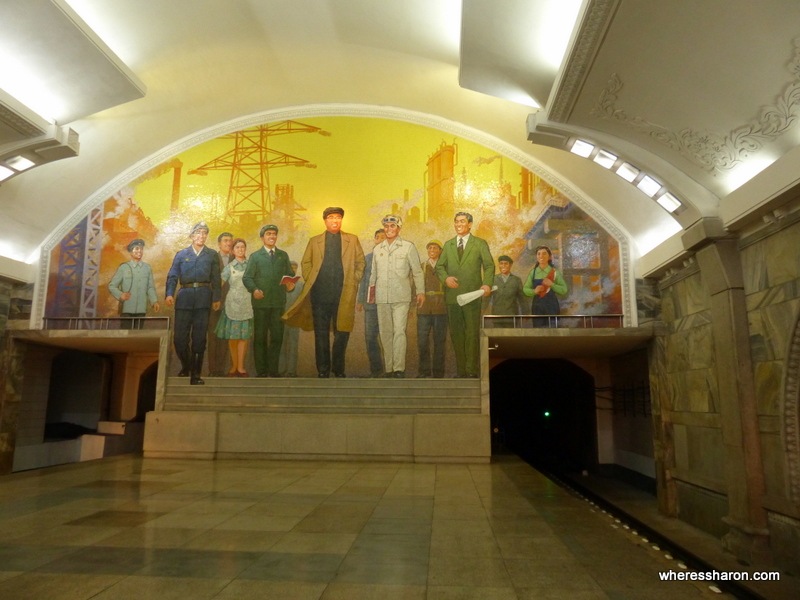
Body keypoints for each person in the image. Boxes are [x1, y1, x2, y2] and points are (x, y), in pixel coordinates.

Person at [284, 207, 365, 378]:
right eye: (331, 217)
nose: (335, 220)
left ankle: (338, 368)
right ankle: (323, 370)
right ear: (325, 221)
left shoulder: (352, 239)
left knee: (342, 333)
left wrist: (354, 280)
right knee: (321, 335)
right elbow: (306, 263)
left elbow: (360, 263)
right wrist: (311, 279)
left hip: (343, 295)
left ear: (341, 220)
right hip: (319, 296)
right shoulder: (315, 241)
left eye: (338, 217)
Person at [435, 211, 494, 378]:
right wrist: (446, 279)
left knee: (472, 333)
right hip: (453, 298)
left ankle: (471, 371)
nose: (458, 224)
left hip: (473, 296)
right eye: (456, 221)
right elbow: (439, 267)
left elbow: (489, 266)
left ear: (470, 224)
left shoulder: (480, 243)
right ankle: (461, 371)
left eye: (462, 221)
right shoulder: (448, 245)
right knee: (457, 335)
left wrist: (487, 283)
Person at [165, 222, 221, 385]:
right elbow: (173, 276)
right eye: (198, 233)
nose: (202, 236)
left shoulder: (211, 255)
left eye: (204, 233)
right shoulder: (181, 254)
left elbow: (216, 278)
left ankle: (195, 375)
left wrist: (216, 297)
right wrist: (169, 293)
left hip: (204, 298)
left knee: (199, 338)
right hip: (184, 298)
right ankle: (187, 366)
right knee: (180, 340)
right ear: (191, 236)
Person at [368, 215, 425, 378]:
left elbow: (417, 271)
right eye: (386, 227)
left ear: (399, 228)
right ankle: (389, 368)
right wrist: (371, 295)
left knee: (399, 331)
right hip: (381, 297)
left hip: (401, 296)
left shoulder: (408, 247)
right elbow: (373, 275)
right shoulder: (378, 249)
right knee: (385, 332)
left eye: (392, 226)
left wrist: (420, 291)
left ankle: (399, 368)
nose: (389, 229)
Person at [243, 224, 296, 377]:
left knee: (277, 337)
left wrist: (290, 285)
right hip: (260, 304)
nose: (272, 236)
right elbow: (247, 277)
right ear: (262, 238)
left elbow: (289, 276)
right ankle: (261, 371)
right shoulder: (255, 256)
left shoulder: (283, 255)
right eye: (268, 234)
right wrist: (254, 290)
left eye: (274, 234)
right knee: (259, 337)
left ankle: (273, 370)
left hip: (278, 303)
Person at [214, 238, 253, 376]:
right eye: (237, 247)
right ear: (233, 250)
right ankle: (234, 366)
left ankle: (241, 367)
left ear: (245, 249)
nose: (240, 249)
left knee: (243, 337)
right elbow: (220, 283)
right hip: (232, 305)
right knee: (233, 337)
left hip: (247, 304)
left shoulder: (251, 265)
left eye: (242, 247)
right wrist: (215, 298)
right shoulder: (229, 267)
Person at [108, 238, 160, 329]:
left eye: (141, 249)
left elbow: (150, 287)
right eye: (136, 248)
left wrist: (154, 301)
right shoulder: (124, 267)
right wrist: (120, 294)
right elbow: (112, 285)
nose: (139, 251)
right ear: (131, 251)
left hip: (141, 309)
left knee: (137, 336)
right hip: (127, 309)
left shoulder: (147, 268)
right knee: (125, 336)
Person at [356, 228, 387, 377]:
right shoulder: (367, 259)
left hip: (388, 304)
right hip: (370, 304)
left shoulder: (393, 257)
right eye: (378, 237)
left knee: (388, 337)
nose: (380, 240)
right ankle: (376, 370)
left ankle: (392, 370)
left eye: (383, 237)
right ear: (374, 240)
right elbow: (363, 281)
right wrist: (360, 300)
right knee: (370, 337)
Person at [416, 239, 448, 378]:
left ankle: (438, 372)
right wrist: (414, 306)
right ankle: (424, 371)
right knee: (422, 341)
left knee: (439, 342)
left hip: (441, 310)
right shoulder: (421, 267)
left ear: (440, 251)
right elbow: (415, 287)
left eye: (435, 248)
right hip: (423, 310)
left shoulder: (446, 268)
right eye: (430, 248)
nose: (432, 251)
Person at [207, 231, 234, 376]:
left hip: (231, 304)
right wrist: (213, 299)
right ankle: (212, 370)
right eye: (225, 240)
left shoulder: (236, 258)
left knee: (225, 337)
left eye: (230, 241)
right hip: (214, 302)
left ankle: (221, 369)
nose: (228, 243)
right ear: (219, 243)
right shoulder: (212, 258)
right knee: (213, 336)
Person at [523, 245, 568, 327]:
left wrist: (552, 284)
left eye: (544, 254)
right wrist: (534, 291)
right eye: (539, 254)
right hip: (537, 308)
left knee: (553, 331)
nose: (541, 256)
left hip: (552, 306)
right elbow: (525, 289)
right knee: (538, 332)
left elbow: (564, 290)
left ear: (549, 256)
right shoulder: (533, 273)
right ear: (536, 257)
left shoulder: (555, 272)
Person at [485, 255, 526, 328]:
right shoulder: (493, 279)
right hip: (497, 317)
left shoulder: (516, 280)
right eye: (501, 263)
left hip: (511, 317)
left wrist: (526, 314)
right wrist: (481, 310)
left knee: (510, 338)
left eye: (506, 263)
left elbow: (522, 299)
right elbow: (487, 298)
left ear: (510, 265)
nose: (503, 265)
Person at [278, 261, 304, 377]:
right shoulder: (281, 284)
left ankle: (291, 371)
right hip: (282, 318)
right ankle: (280, 369)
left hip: (295, 318)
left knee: (293, 344)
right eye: (291, 268)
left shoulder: (301, 285)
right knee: (281, 344)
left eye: (295, 268)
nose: (293, 270)